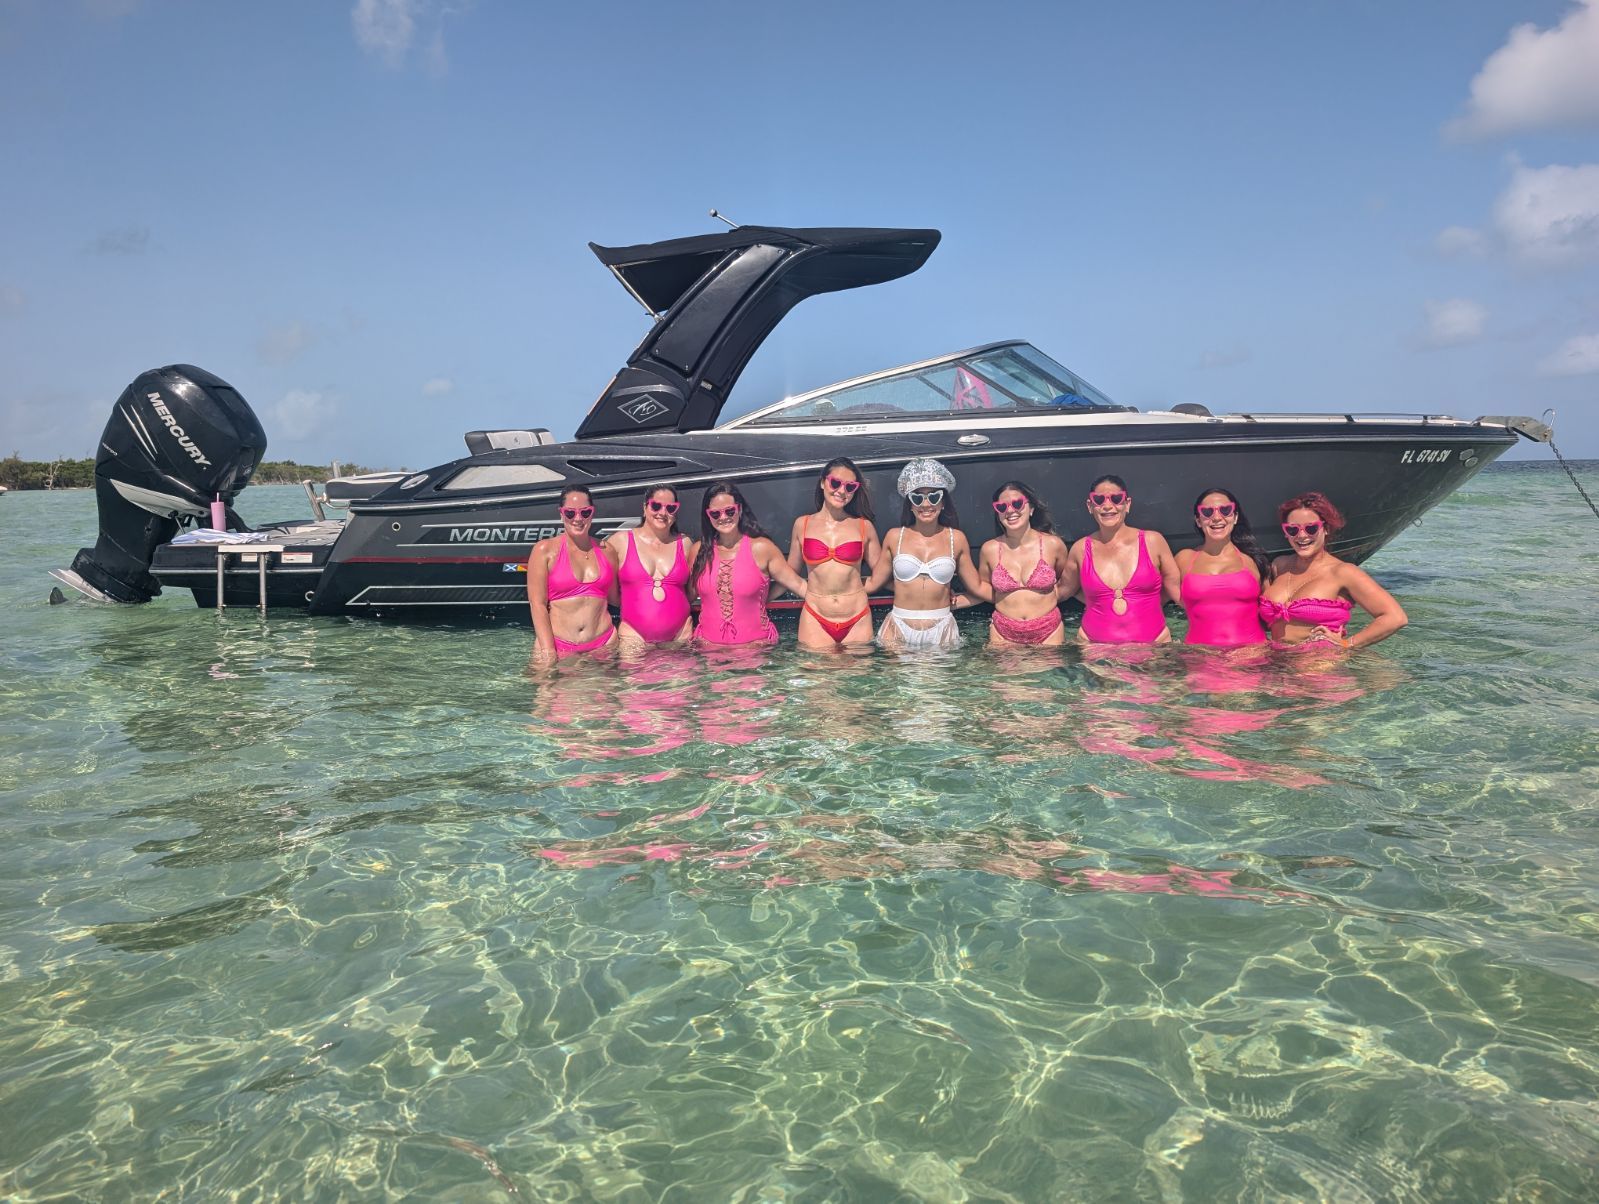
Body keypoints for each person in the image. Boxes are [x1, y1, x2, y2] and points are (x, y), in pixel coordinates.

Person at [865, 458, 987, 649]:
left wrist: (1015, 597)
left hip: (941, 628)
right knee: (894, 680)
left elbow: (978, 588)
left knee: (936, 680)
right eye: (917, 497)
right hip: (897, 628)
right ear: (910, 505)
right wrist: (827, 594)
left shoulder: (957, 538)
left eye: (933, 496)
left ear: (943, 502)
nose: (926, 503)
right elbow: (874, 583)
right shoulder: (894, 536)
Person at [1261, 491, 1407, 649]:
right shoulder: (1279, 566)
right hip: (1276, 661)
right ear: (1286, 533)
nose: (1301, 536)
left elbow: (1395, 617)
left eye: (1311, 528)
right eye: (1292, 530)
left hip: (1318, 665)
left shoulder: (1343, 572)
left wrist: (1347, 644)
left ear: (1326, 528)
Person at [689, 481, 808, 646]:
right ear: (707, 516)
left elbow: (798, 584)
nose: (723, 517)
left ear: (740, 509)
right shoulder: (699, 551)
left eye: (729, 511)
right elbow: (686, 597)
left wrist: (834, 609)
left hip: (755, 650)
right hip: (708, 653)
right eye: (715, 514)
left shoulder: (761, 548)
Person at [1065, 474, 1181, 644]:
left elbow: (1175, 589)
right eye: (1099, 500)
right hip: (1096, 652)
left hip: (1154, 649)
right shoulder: (1080, 549)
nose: (1107, 506)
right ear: (1090, 506)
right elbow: (1064, 590)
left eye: (1116, 498)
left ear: (1127, 504)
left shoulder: (1153, 541)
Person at [785, 457, 882, 649]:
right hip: (815, 616)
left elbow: (882, 574)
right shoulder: (802, 524)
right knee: (818, 678)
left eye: (850, 487)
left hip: (857, 617)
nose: (841, 491)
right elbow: (788, 573)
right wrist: (760, 599)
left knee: (859, 679)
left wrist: (930, 592)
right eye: (835, 483)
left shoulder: (864, 526)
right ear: (823, 482)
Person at [526, 485, 616, 661]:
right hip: (559, 646)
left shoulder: (607, 550)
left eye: (585, 512)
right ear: (561, 514)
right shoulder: (544, 550)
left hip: (604, 645)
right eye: (570, 513)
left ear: (592, 513)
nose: (578, 518)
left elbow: (615, 598)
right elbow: (537, 605)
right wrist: (548, 651)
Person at [979, 480, 1073, 646]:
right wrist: (951, 600)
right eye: (1002, 507)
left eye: (1017, 504)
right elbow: (983, 587)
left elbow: (1067, 583)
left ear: (1031, 509)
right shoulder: (990, 549)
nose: (1010, 511)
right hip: (1003, 633)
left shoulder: (1053, 545)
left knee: (1051, 674)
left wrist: (1050, 597)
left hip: (1049, 631)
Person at [1175, 487, 1269, 647]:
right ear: (1198, 520)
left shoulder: (1253, 559)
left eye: (1225, 510)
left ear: (1236, 517)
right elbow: (1148, 598)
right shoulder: (1184, 559)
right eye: (1207, 512)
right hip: (1201, 660)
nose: (1217, 517)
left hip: (1250, 659)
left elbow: (1274, 612)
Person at [604, 484, 693, 650]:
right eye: (656, 506)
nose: (663, 513)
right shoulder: (620, 542)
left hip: (679, 638)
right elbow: (603, 586)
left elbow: (694, 589)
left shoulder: (685, 543)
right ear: (645, 507)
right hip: (633, 637)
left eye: (671, 508)